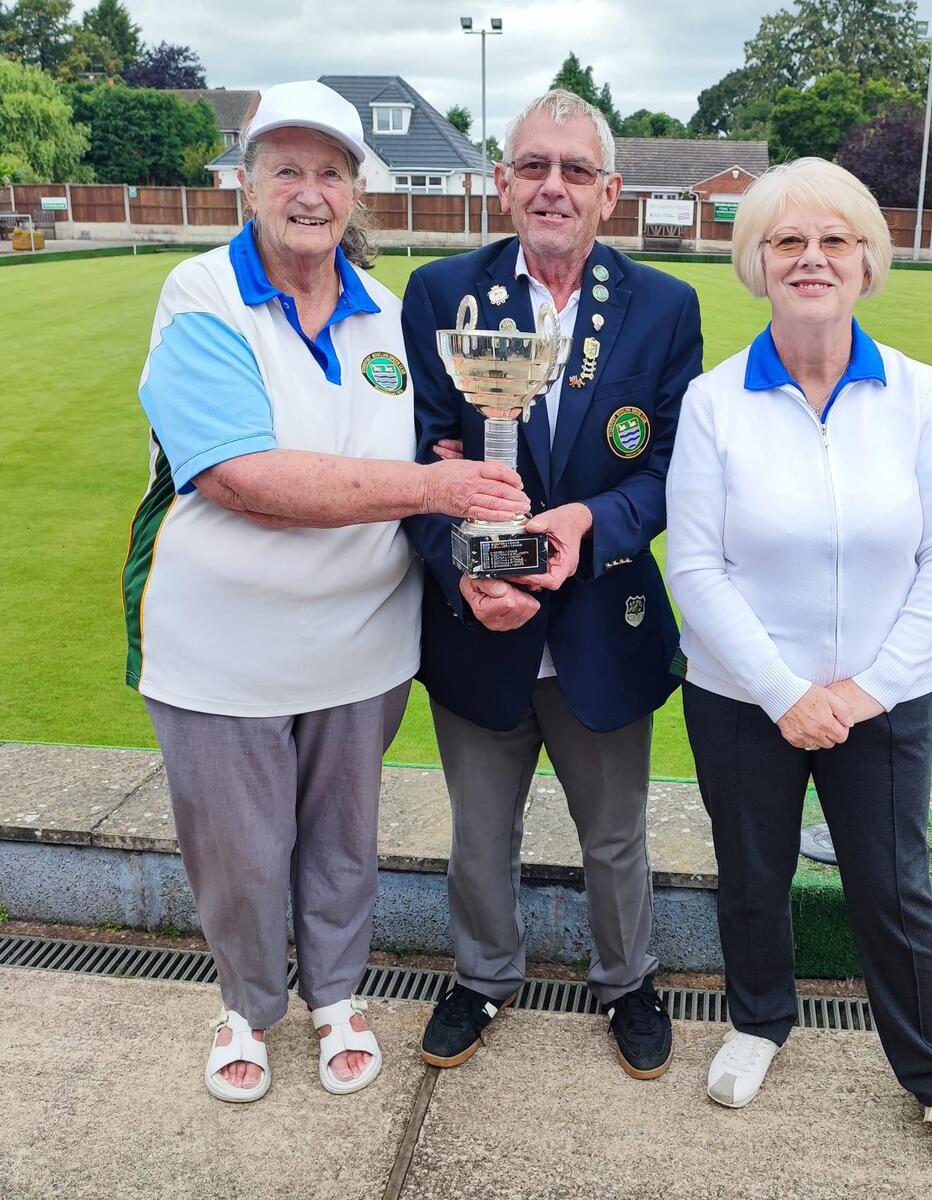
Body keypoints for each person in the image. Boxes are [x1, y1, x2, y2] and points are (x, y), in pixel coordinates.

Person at [120, 80, 528, 1103]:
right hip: (222, 643)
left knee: (345, 843)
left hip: (362, 643)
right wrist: (440, 483)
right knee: (243, 856)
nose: (311, 192)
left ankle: (336, 997)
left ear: (357, 193)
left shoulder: (389, 316)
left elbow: (443, 459)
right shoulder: (202, 295)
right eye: (288, 169)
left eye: (331, 172)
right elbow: (240, 476)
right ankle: (249, 1007)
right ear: (248, 184)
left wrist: (487, 550)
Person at [665, 158, 932, 1176]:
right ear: (756, 263)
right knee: (754, 876)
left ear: (867, 261)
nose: (811, 258)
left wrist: (865, 689)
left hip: (884, 699)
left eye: (834, 241)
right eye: (787, 242)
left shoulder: (917, 394)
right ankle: (761, 1022)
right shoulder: (717, 401)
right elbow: (695, 563)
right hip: (740, 697)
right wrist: (783, 692)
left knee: (893, 891)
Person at [402, 89, 703, 1080]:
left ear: (610, 192)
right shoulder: (441, 293)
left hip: (599, 625)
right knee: (478, 835)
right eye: (533, 166)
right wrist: (461, 565)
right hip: (478, 626)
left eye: (575, 171)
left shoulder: (665, 308)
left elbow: (669, 476)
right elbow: (415, 466)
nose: (553, 187)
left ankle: (625, 980)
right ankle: (484, 975)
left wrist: (590, 521)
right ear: (502, 182)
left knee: (614, 835)